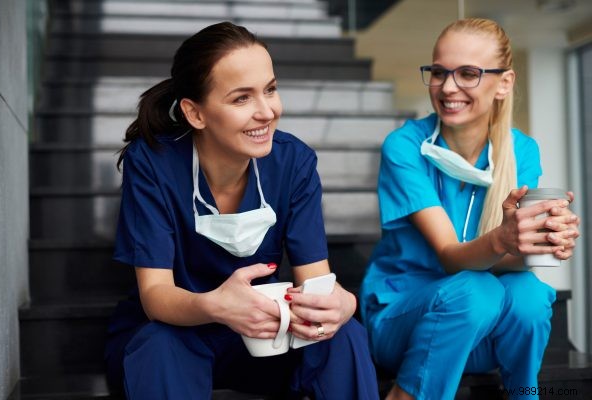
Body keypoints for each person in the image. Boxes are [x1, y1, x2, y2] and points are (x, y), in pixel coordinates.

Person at [104, 21, 378, 400]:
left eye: (270, 89)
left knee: (343, 335)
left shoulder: (293, 162)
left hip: (261, 337)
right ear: (195, 113)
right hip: (179, 333)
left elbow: (316, 281)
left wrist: (343, 303)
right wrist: (215, 306)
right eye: (241, 98)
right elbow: (156, 295)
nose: (266, 112)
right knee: (158, 345)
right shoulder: (153, 163)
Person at [359, 17, 580, 400]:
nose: (448, 87)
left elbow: (506, 262)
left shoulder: (522, 151)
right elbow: (450, 257)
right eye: (439, 72)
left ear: (504, 83)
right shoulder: (405, 147)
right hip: (405, 324)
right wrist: (505, 238)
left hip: (479, 331)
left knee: (528, 294)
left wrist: (541, 244)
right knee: (475, 291)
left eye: (467, 74)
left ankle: (524, 393)